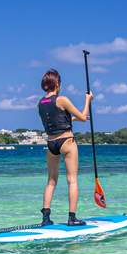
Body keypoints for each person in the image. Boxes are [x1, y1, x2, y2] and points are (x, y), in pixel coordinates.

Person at [36, 68, 93, 226]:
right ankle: (72, 218)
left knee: (51, 181)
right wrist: (88, 100)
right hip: (67, 141)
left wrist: (71, 119)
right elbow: (83, 117)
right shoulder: (62, 99)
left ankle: (46, 218)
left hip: (51, 143)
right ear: (57, 83)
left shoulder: (40, 103)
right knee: (72, 180)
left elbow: (56, 121)